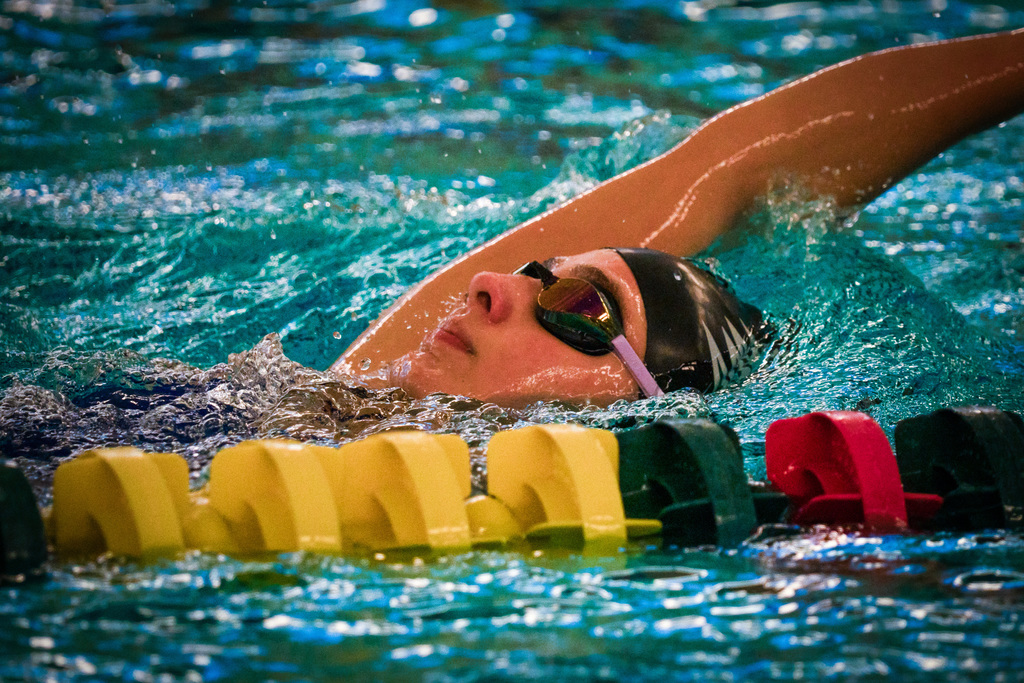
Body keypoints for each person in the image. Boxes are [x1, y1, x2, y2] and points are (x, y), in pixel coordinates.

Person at [330, 28, 1024, 407]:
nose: (487, 282)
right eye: (535, 273)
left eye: (579, 305)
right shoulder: (334, 393)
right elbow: (730, 168)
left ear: (649, 407)